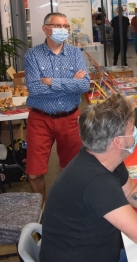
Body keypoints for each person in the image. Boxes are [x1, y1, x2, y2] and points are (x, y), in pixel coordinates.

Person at [39, 93, 137, 262]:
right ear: (118, 142)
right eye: (130, 128)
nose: (135, 131)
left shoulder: (102, 158)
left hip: (92, 252)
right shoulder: (96, 182)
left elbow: (131, 191)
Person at [24, 12, 90, 203]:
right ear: (45, 29)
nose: (63, 30)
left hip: (70, 119)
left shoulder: (75, 54)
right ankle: (42, 211)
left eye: (65, 26)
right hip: (40, 119)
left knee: (72, 170)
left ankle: (68, 208)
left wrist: (50, 82)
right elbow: (35, 89)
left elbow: (84, 86)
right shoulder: (33, 55)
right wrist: (70, 83)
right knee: (34, 172)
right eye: (57, 26)